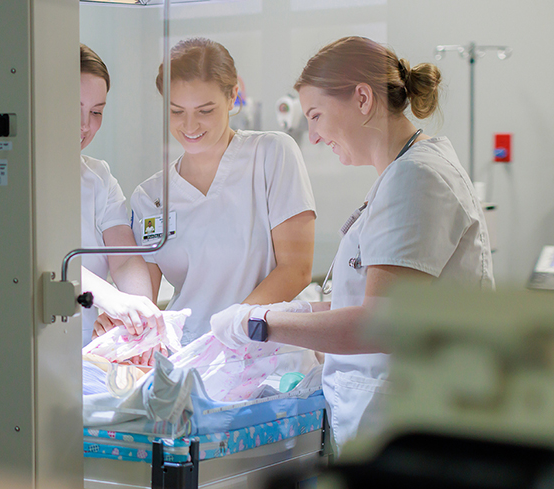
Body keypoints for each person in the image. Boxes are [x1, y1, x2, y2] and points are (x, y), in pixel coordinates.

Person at [209, 36, 495, 454]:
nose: (316, 135)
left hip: (415, 424)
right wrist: (298, 311)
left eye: (317, 115)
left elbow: (378, 323)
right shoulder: (403, 175)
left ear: (362, 98)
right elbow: (372, 302)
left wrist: (259, 323)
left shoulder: (417, 179)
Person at [128, 37, 317, 346]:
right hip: (184, 351)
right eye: (176, 111)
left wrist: (227, 333)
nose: (190, 125)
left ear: (233, 98)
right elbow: (142, 303)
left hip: (261, 346)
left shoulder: (271, 154)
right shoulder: (150, 196)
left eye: (205, 110)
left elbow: (296, 269)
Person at [78, 43, 164, 346]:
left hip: (88, 352)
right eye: (73, 109)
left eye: (96, 112)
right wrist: (111, 299)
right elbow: (44, 263)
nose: (85, 125)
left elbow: (125, 261)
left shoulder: (97, 177)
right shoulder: (8, 180)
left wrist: (134, 310)